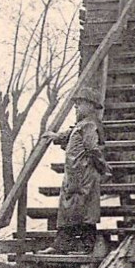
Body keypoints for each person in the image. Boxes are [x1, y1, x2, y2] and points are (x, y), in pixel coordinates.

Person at [45, 93, 111, 254]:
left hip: (84, 174)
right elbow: (68, 135)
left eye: (79, 104)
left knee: (85, 210)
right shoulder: (80, 125)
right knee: (69, 209)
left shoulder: (89, 125)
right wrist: (55, 136)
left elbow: (92, 149)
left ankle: (85, 246)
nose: (76, 107)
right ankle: (61, 244)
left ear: (90, 106)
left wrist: (104, 168)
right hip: (74, 174)